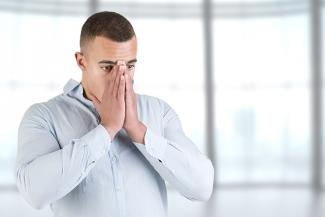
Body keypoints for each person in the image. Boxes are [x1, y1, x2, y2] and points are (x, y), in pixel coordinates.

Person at [16, 11, 214, 217]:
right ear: (81, 61)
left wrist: (138, 130)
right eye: (108, 67)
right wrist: (106, 129)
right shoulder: (44, 117)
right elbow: (35, 193)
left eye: (129, 66)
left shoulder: (159, 111)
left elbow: (202, 186)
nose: (121, 77)